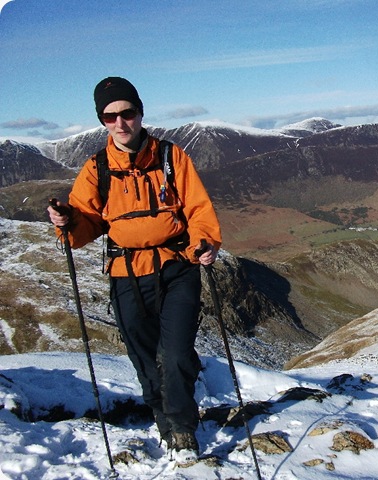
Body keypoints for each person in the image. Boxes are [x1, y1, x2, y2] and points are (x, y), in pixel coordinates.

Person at [48, 77, 222, 464]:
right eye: (110, 117)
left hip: (177, 266)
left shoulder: (170, 157)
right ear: (103, 121)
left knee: (175, 353)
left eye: (127, 113)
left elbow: (197, 207)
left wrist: (204, 244)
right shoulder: (97, 168)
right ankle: (163, 419)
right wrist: (66, 222)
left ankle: (182, 428)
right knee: (144, 357)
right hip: (126, 272)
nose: (120, 123)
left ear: (140, 113)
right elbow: (87, 222)